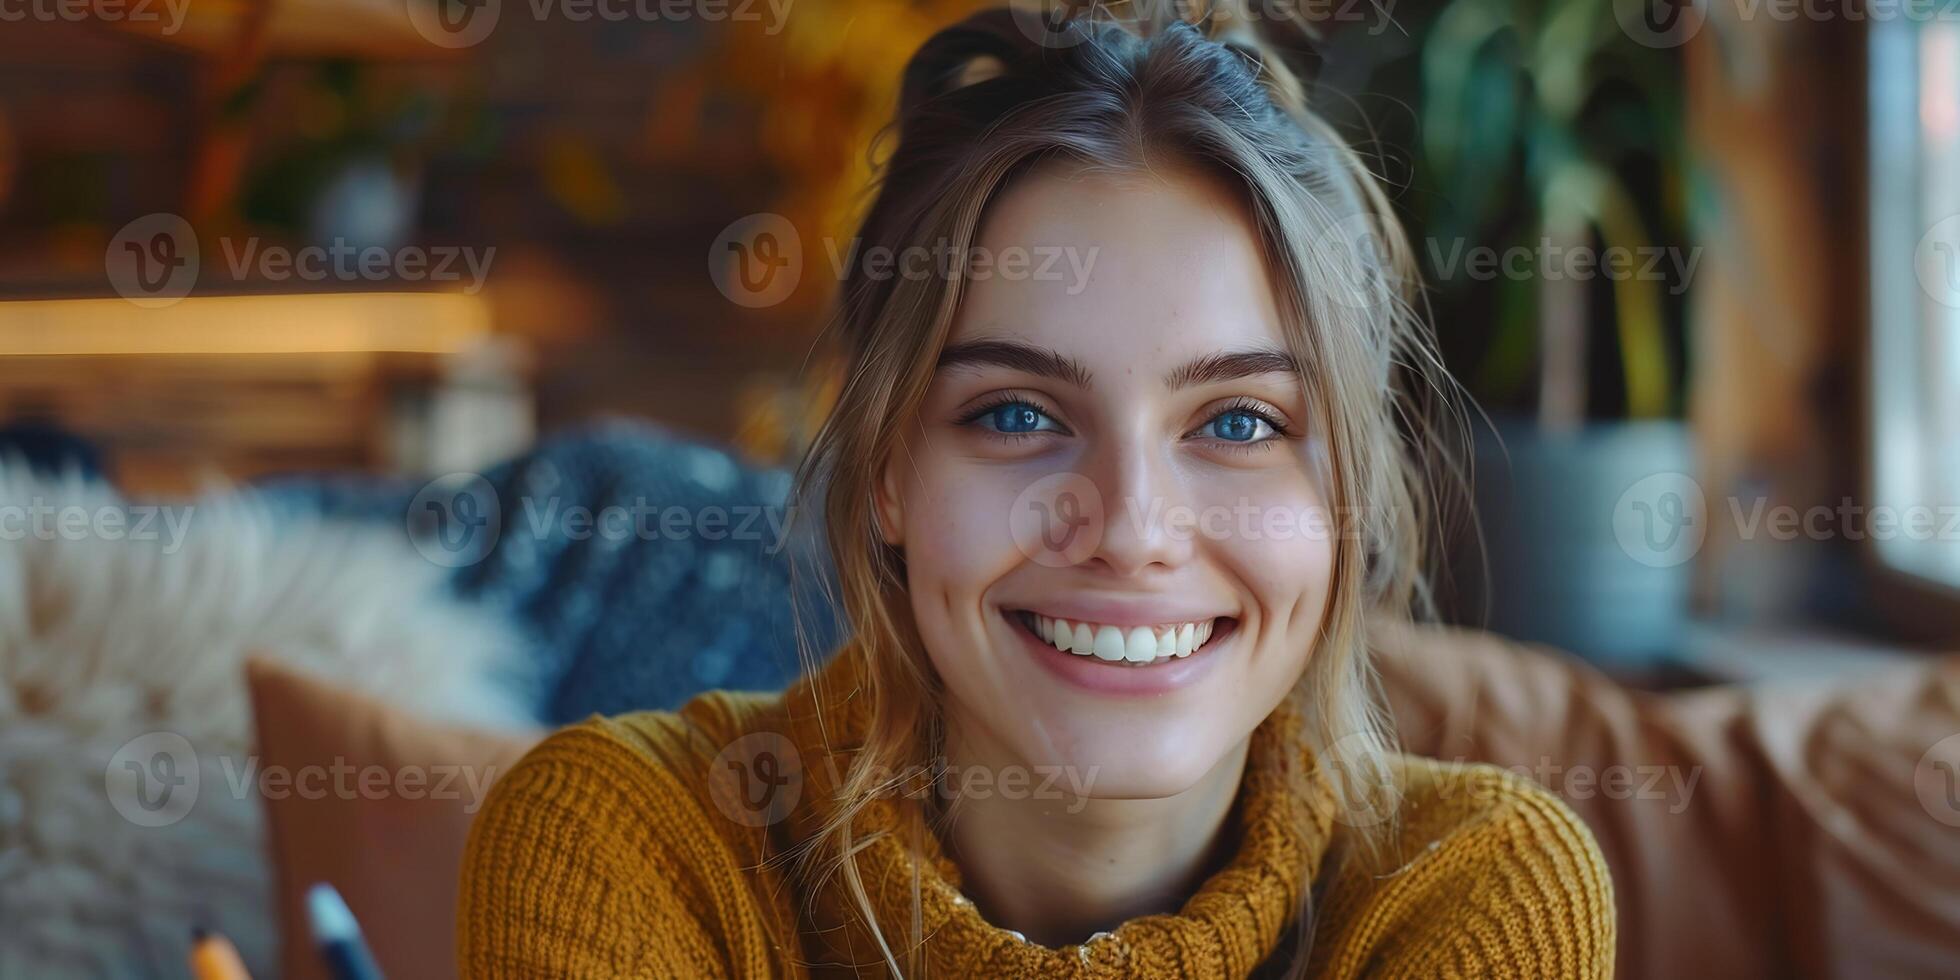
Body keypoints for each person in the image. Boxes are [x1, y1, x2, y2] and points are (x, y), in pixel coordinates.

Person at [459, 6, 1615, 977]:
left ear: (1345, 499)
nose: (1127, 527)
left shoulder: (1474, 894)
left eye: (1239, 422)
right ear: (883, 473)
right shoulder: (628, 845)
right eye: (1015, 414)